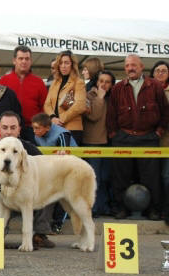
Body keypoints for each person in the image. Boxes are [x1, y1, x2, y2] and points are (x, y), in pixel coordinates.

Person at [0, 111, 55, 248]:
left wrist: (59, 159)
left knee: (48, 189)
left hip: (26, 197)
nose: (9, 132)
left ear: (19, 129)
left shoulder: (28, 148)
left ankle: (39, 233)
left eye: (13, 128)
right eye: (5, 127)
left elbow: (46, 170)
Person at [107, 54, 169, 220]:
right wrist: (115, 135)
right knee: (121, 177)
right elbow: (111, 115)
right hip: (123, 138)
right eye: (127, 66)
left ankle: (152, 209)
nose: (130, 68)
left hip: (148, 138)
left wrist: (158, 132)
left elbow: (165, 112)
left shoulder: (154, 86)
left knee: (151, 177)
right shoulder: (118, 88)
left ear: (142, 67)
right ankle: (121, 208)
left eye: (134, 65)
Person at [32, 112, 77, 232]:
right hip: (51, 165)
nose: (34, 131)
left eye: (37, 128)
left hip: (70, 165)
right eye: (33, 128)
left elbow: (64, 155)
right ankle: (41, 222)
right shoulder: (37, 136)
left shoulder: (62, 134)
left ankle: (58, 223)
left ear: (47, 127)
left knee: (63, 194)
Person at [0, 45, 48, 141]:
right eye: (21, 58)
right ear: (14, 60)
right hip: (10, 129)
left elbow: (44, 107)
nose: (24, 61)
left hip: (32, 130)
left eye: (27, 59)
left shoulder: (39, 82)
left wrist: (41, 126)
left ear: (30, 61)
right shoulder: (3, 81)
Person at [84, 70, 115, 217]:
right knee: (94, 177)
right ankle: (93, 207)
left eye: (107, 82)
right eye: (101, 81)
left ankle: (103, 206)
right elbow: (94, 116)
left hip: (109, 142)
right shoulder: (89, 96)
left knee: (105, 177)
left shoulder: (113, 98)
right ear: (96, 82)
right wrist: (100, 98)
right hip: (93, 142)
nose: (103, 84)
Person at [44, 50, 87, 145]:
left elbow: (80, 105)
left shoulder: (78, 82)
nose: (63, 66)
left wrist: (61, 119)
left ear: (72, 65)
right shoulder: (54, 83)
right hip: (55, 128)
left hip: (72, 129)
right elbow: (47, 104)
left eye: (66, 63)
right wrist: (53, 118)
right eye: (61, 63)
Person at [150, 61, 169, 223]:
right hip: (148, 142)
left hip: (166, 143)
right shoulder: (147, 90)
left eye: (164, 71)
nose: (160, 73)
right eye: (157, 70)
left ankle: (165, 209)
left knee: (166, 177)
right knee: (152, 178)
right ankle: (153, 208)